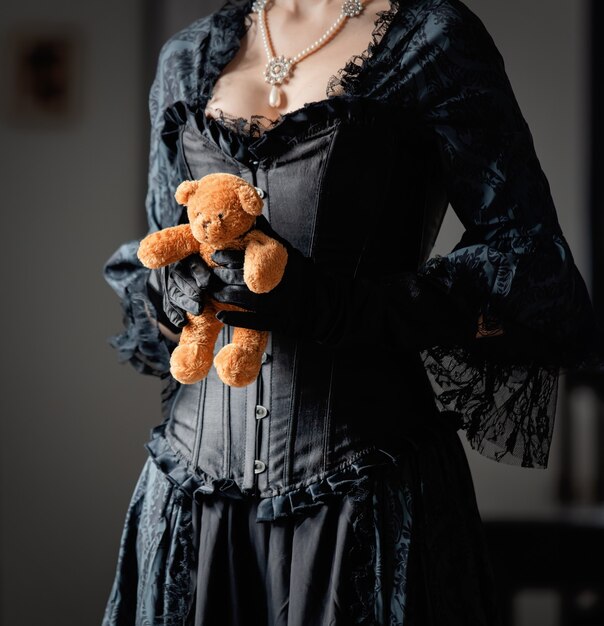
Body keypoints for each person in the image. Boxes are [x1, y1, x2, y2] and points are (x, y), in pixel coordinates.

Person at [101, 0, 603, 624]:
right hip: (193, 504)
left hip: (368, 500)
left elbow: (529, 260)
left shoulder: (431, 41)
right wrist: (175, 290)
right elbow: (163, 242)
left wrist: (338, 308)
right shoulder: (190, 56)